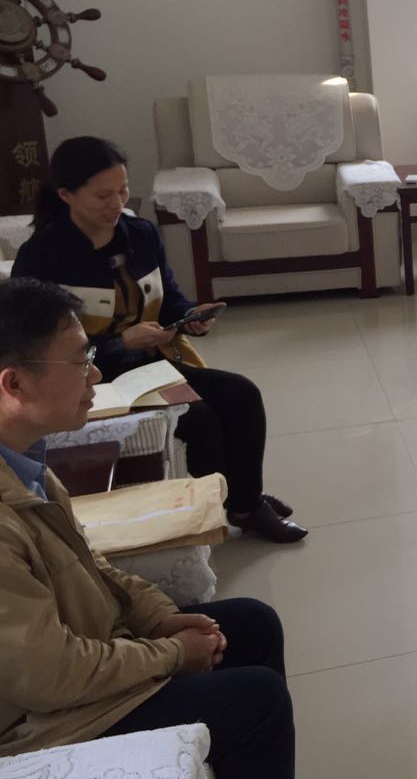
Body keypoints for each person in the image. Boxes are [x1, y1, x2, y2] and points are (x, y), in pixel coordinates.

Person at [0, 277, 362, 779]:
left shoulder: (27, 464)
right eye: (80, 362)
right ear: (15, 383)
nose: (95, 375)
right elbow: (49, 677)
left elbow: (91, 565)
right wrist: (171, 654)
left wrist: (159, 617)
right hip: (42, 721)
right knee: (256, 698)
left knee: (253, 624)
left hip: (84, 654)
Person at [13, 136, 305, 542]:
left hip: (149, 365)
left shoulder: (140, 234)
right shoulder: (42, 257)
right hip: (93, 377)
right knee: (198, 416)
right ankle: (218, 509)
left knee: (241, 394)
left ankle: (245, 502)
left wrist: (188, 317)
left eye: (122, 191)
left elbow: (168, 296)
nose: (117, 204)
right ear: (66, 195)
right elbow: (33, 350)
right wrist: (119, 344)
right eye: (103, 196)